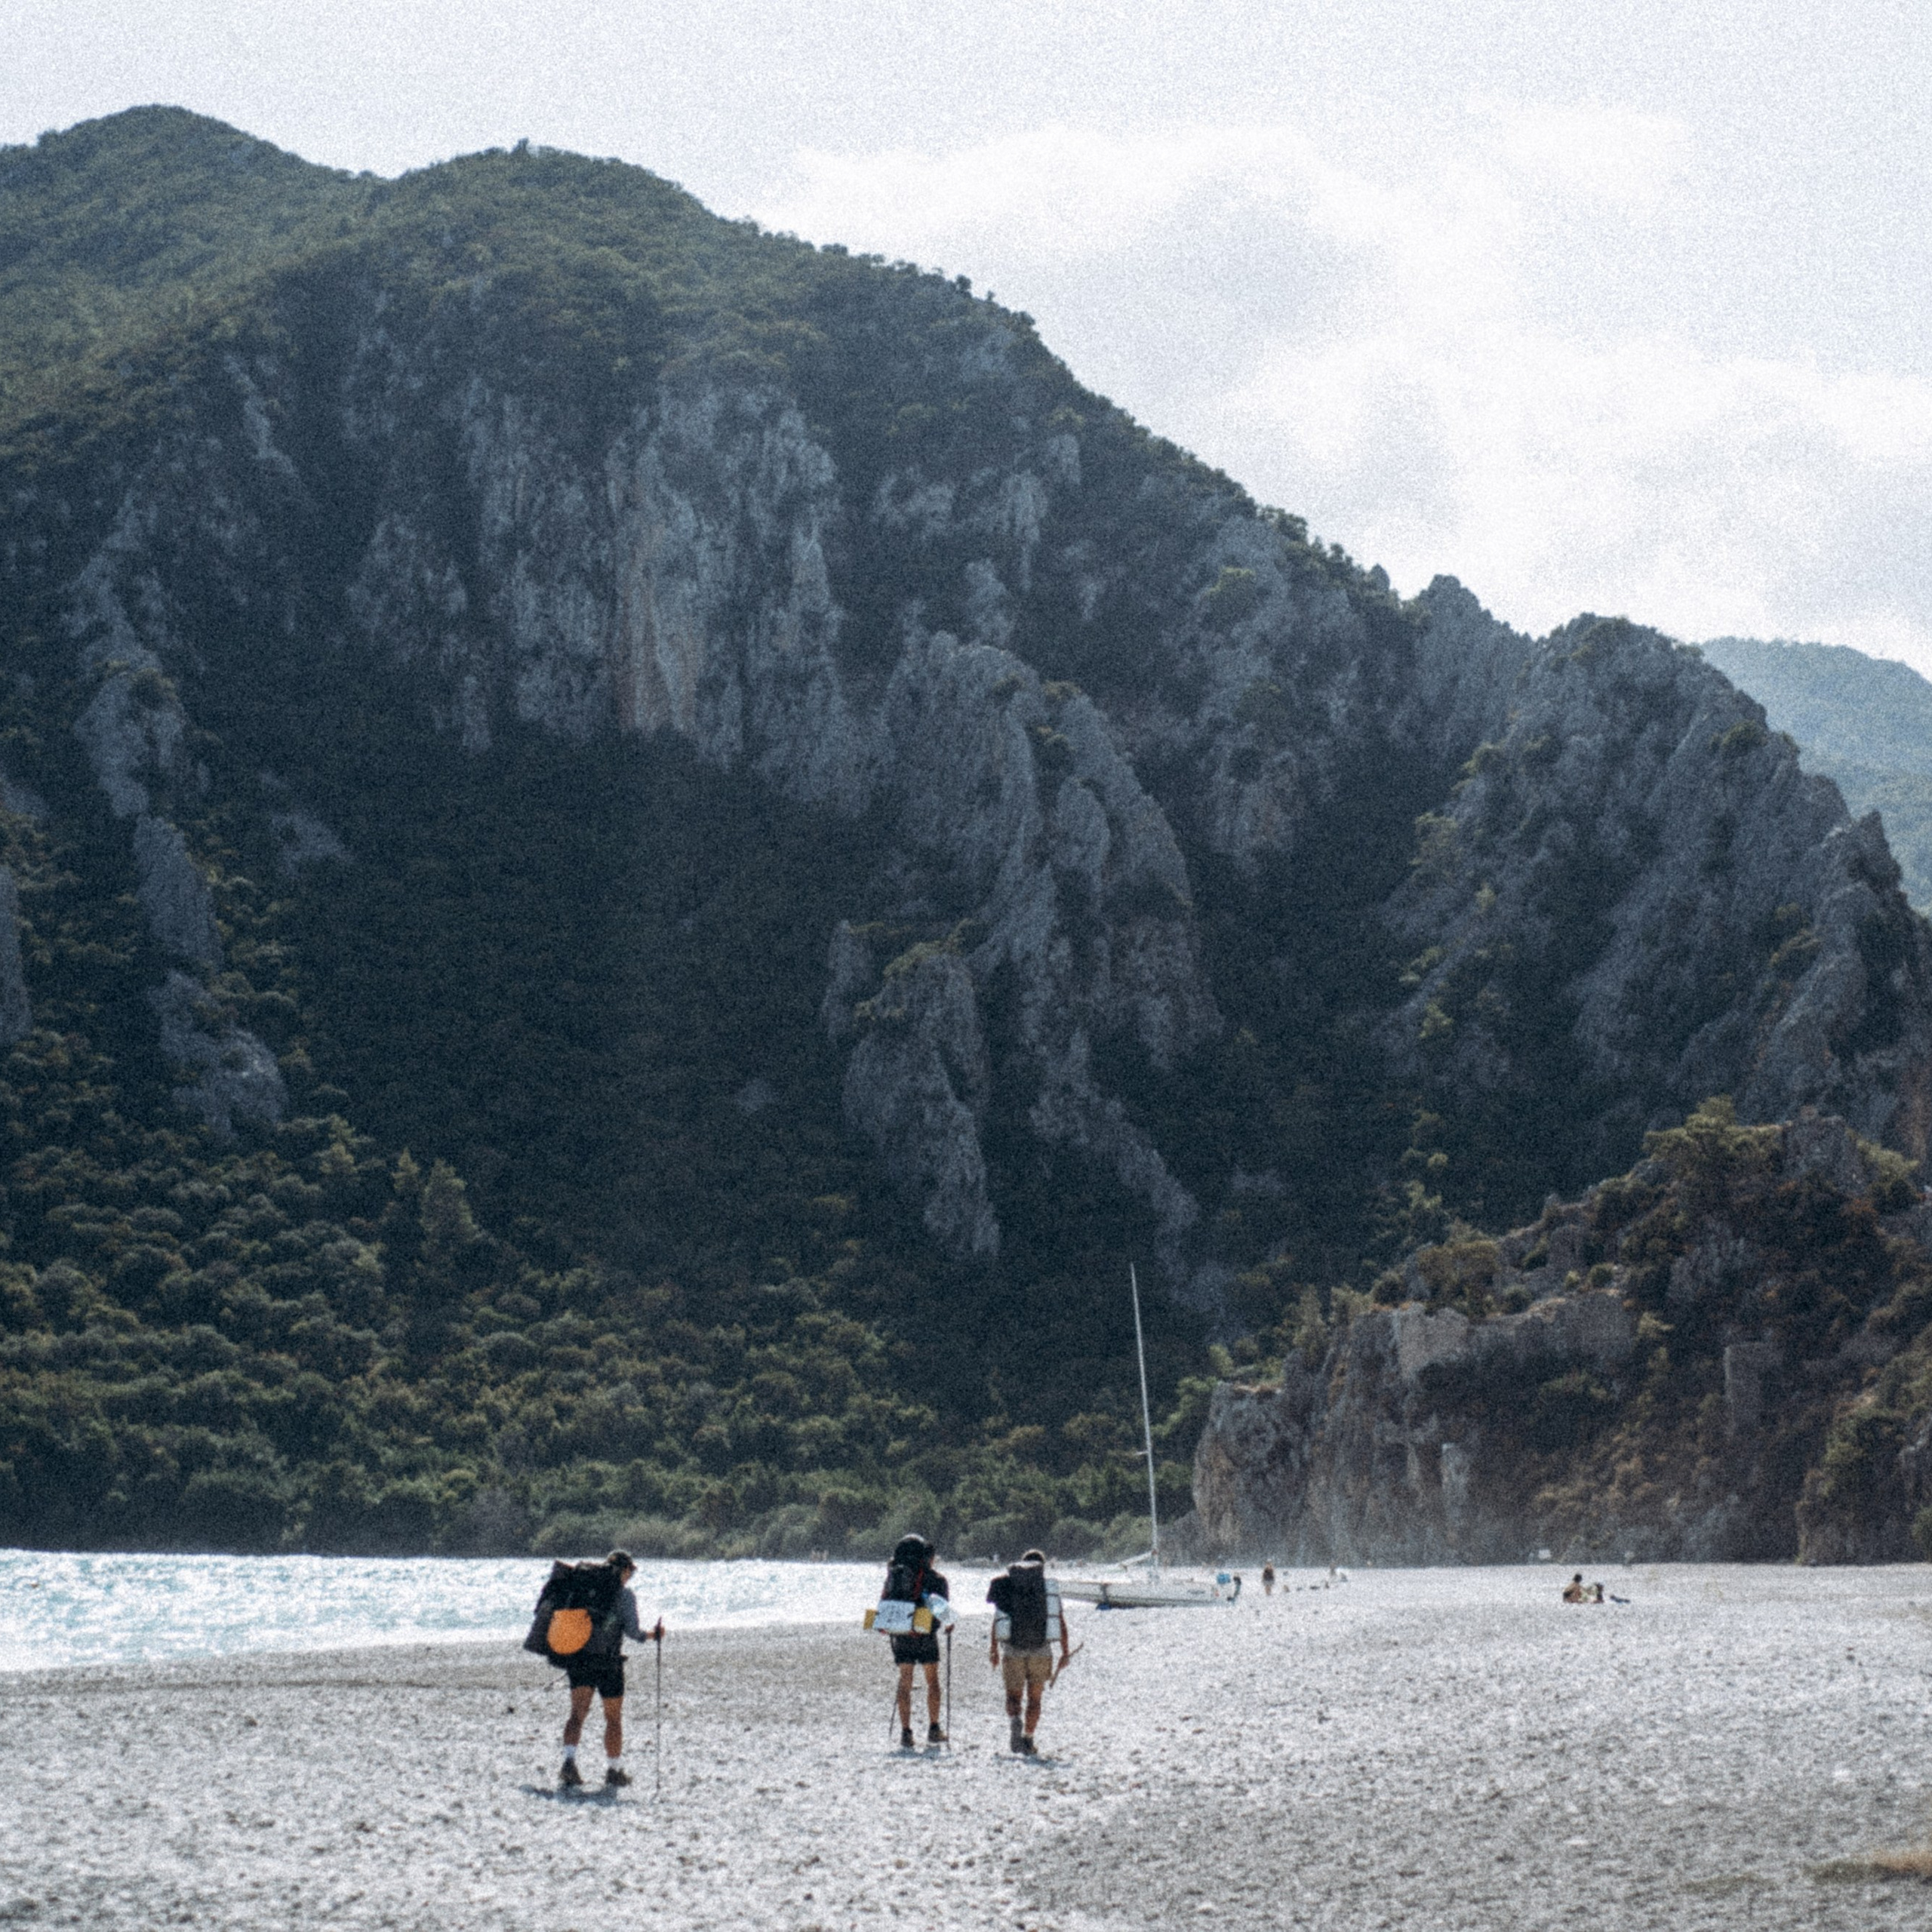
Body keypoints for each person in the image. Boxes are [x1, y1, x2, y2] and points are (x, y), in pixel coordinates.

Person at [559, 1549, 662, 1789]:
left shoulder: (585, 1589)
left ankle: (569, 1763)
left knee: (577, 1714)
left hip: (580, 1659)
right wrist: (654, 1635)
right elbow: (633, 1632)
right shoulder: (624, 1595)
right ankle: (614, 1770)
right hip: (609, 1663)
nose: (630, 1577)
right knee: (613, 1719)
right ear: (624, 1570)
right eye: (631, 1572)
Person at [986, 1549, 1070, 1756]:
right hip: (1041, 1650)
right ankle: (1028, 1738)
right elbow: (1059, 1621)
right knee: (1035, 1699)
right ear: (1042, 1568)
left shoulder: (1009, 1586)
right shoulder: (1047, 1589)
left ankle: (1015, 1720)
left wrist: (994, 1649)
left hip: (1013, 1649)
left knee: (1013, 1696)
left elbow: (999, 1619)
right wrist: (1065, 1652)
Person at [879, 1534, 949, 1748]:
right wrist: (948, 1624)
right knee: (932, 1680)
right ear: (929, 1557)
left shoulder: (894, 1575)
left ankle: (906, 1732)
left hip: (902, 1631)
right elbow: (942, 1612)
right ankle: (934, 1728)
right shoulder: (937, 1579)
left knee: (905, 1680)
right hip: (925, 1631)